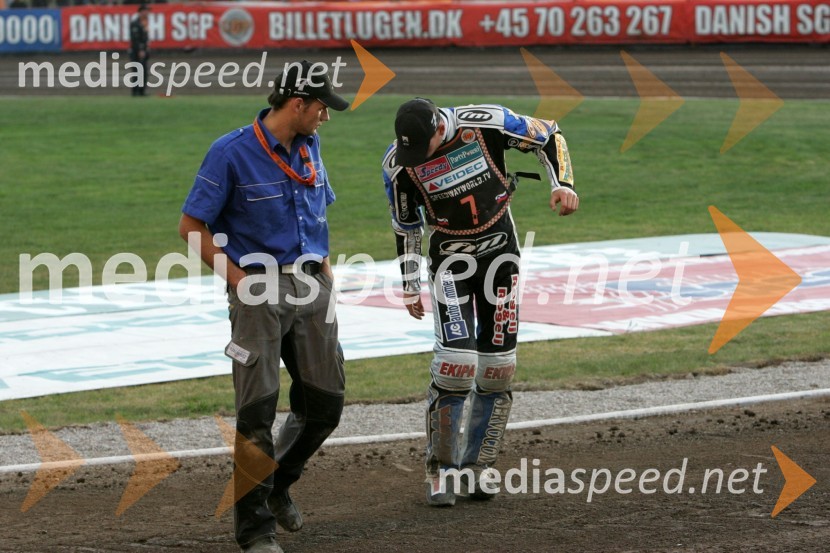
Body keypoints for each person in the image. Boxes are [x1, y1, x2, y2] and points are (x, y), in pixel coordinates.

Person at [179, 61, 349, 553]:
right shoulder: (230, 152)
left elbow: (316, 220)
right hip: (259, 291)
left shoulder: (311, 145)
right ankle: (255, 532)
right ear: (297, 105)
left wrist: (329, 285)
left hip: (312, 285)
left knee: (326, 404)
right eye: (321, 107)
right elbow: (191, 227)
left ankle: (276, 486)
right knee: (256, 413)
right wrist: (240, 283)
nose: (326, 116)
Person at [382, 98, 579, 506]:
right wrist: (408, 282)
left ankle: (479, 466)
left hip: (501, 257)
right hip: (448, 265)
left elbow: (550, 135)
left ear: (439, 127)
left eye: (425, 149)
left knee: (498, 369)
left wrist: (563, 184)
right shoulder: (398, 165)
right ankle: (441, 470)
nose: (418, 160)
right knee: (455, 365)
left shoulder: (487, 121)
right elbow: (405, 225)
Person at [128, 4, 150, 97]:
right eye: (145, 11)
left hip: (144, 51)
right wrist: (140, 49)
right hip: (136, 51)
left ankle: (141, 91)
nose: (147, 13)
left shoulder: (144, 23)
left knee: (144, 72)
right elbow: (135, 39)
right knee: (136, 71)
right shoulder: (135, 23)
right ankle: (135, 91)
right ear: (140, 12)